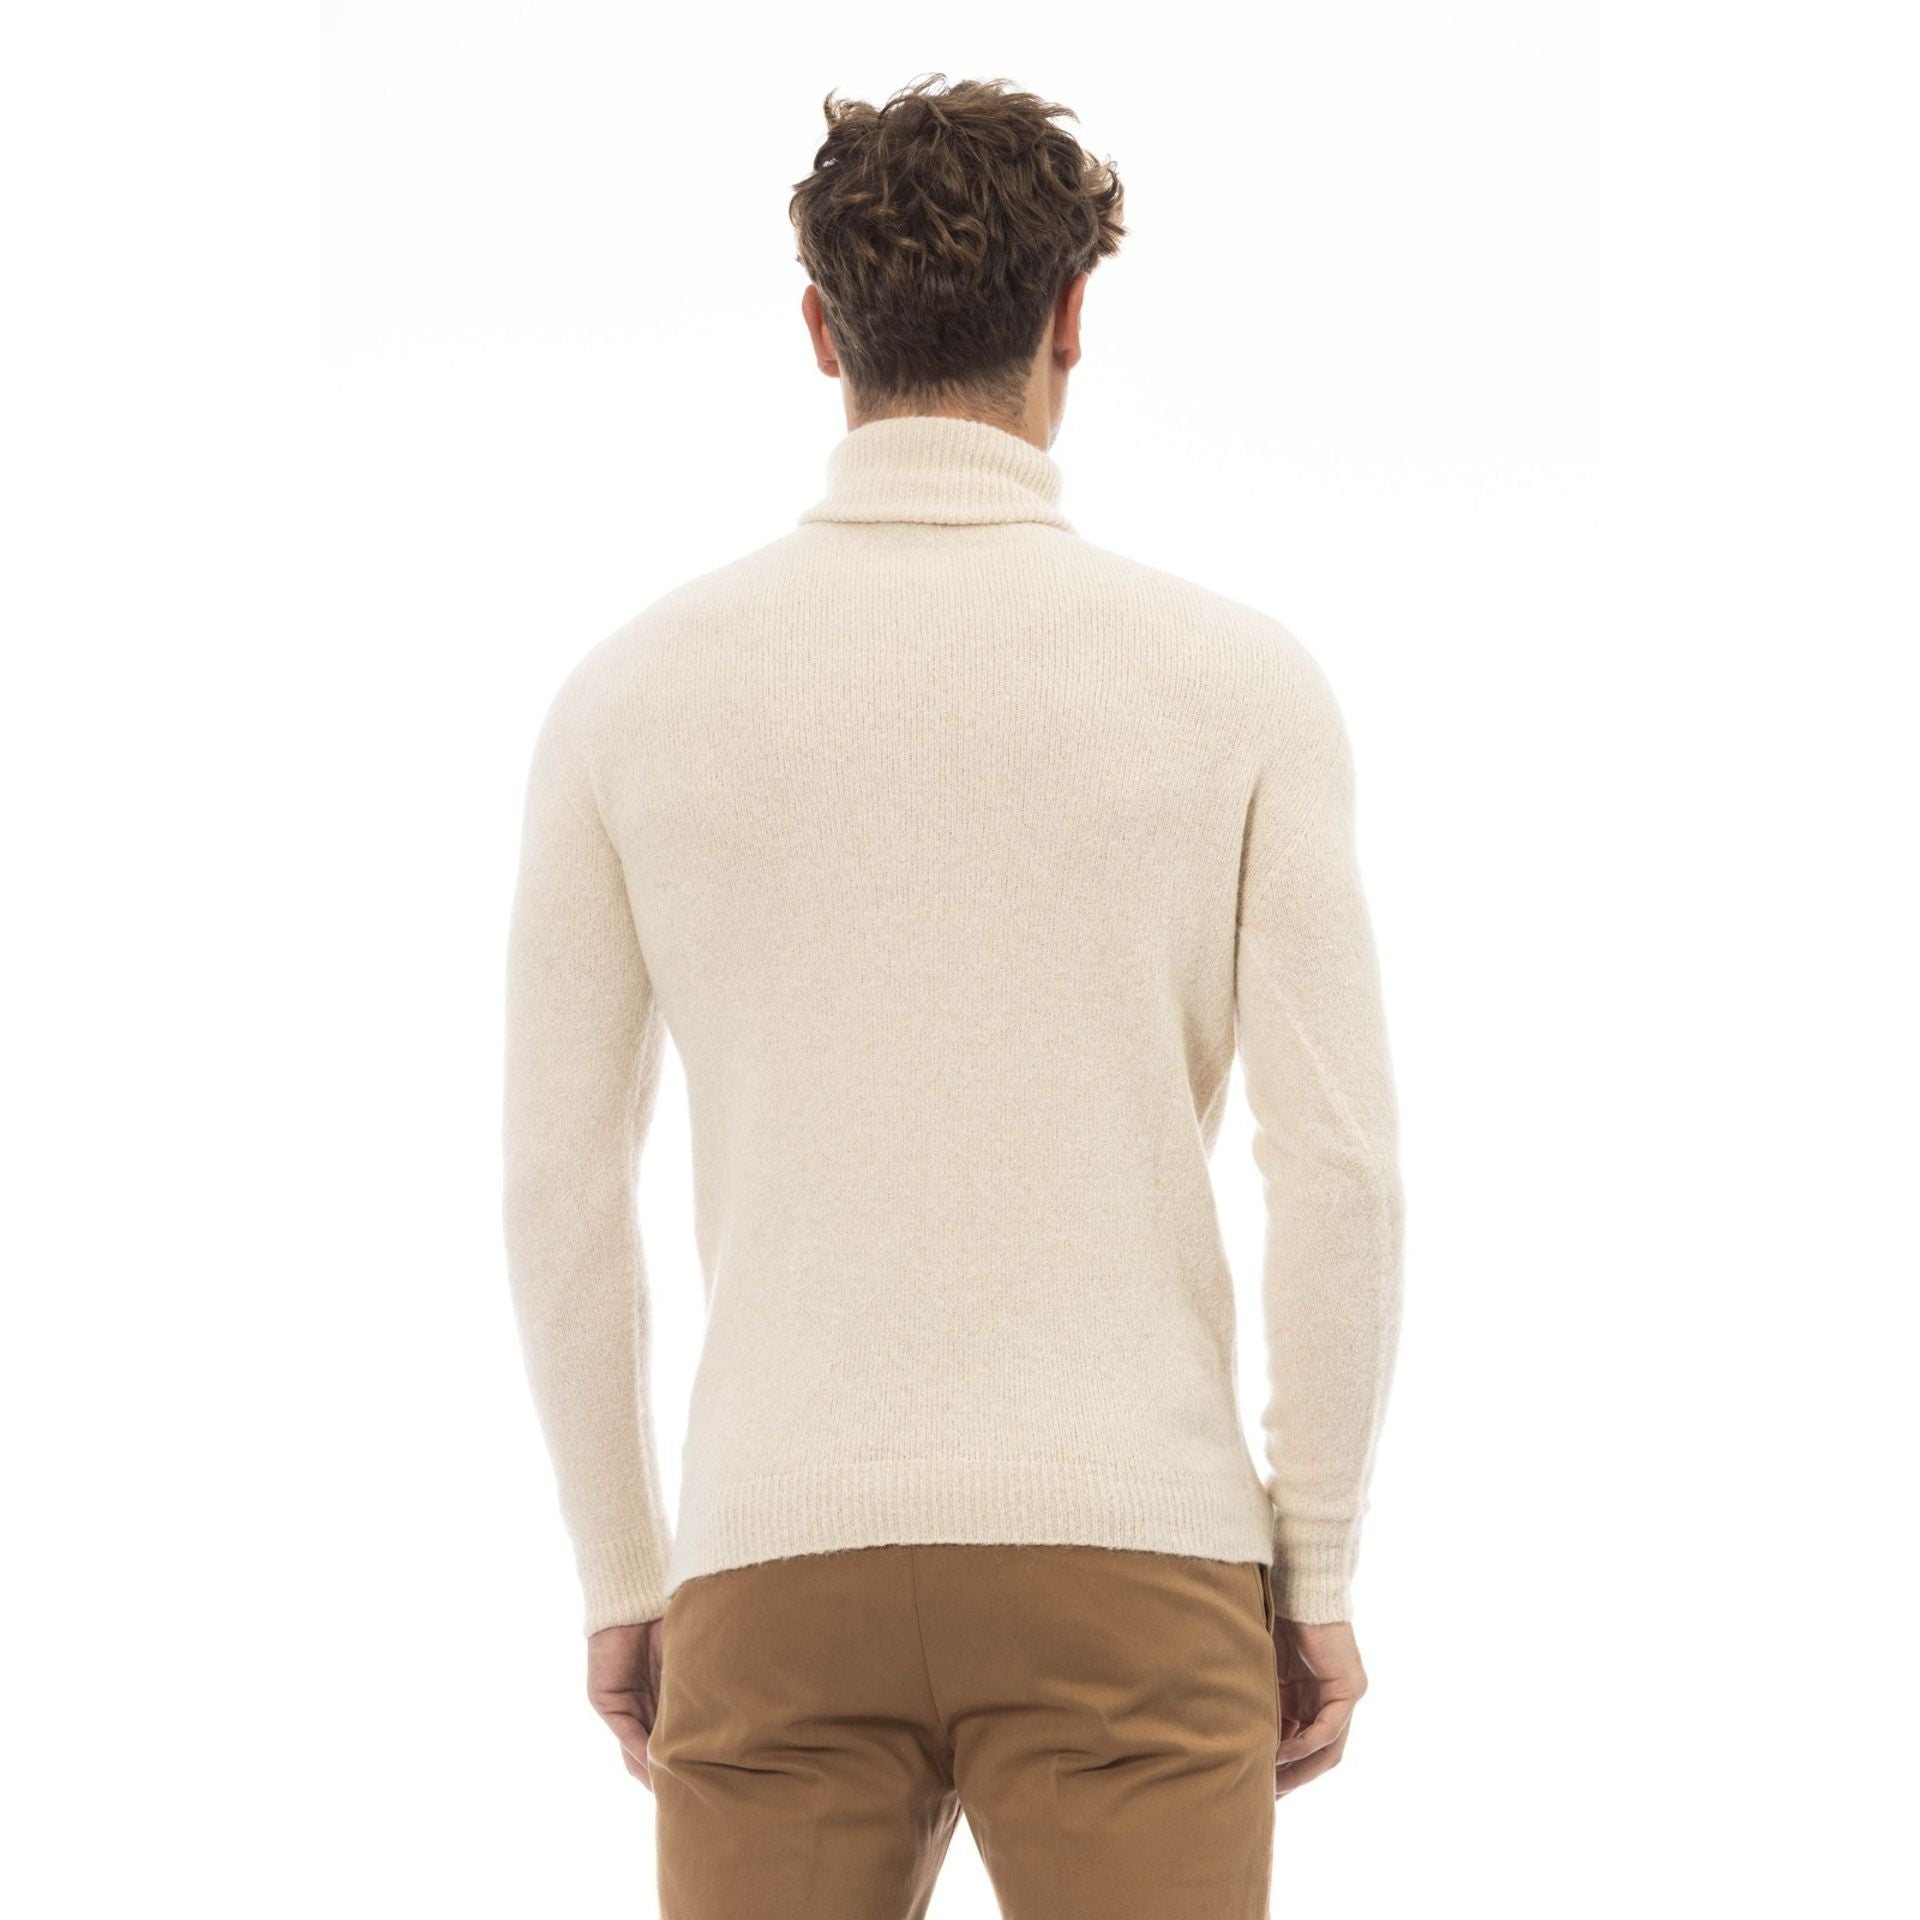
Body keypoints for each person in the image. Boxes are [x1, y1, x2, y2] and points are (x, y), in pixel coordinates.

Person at [503, 73, 1404, 1920]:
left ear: (820, 329)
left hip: (772, 1560)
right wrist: (1311, 1566)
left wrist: (624, 1568)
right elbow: (1340, 1171)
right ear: (1072, 317)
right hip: (1135, 1563)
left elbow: (559, 1182)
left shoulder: (626, 699)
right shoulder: (1239, 684)